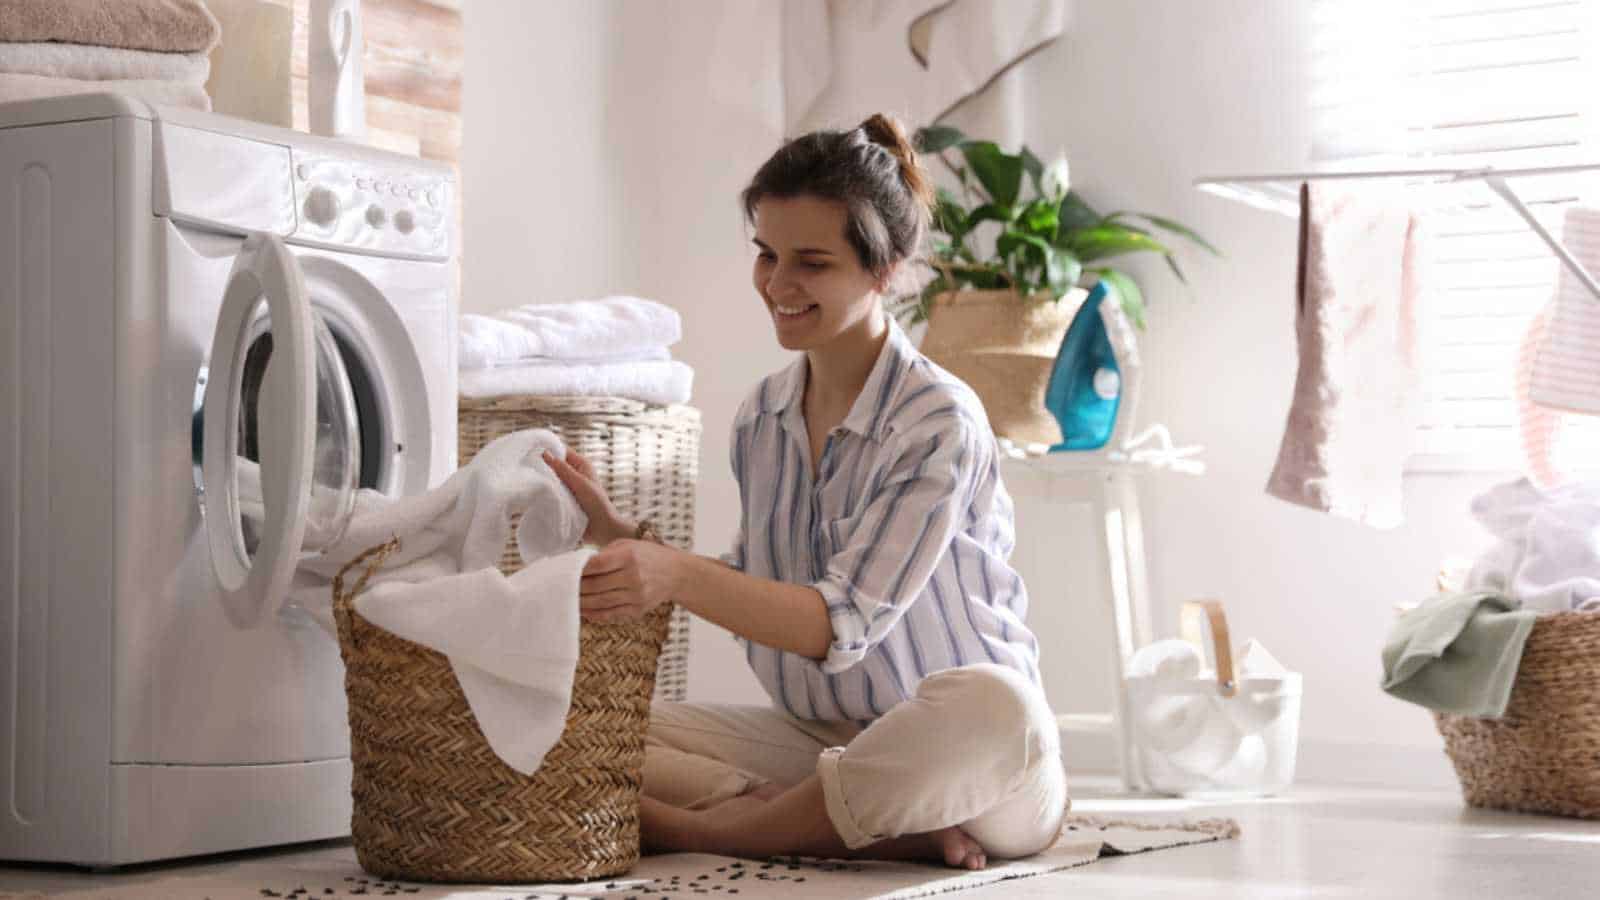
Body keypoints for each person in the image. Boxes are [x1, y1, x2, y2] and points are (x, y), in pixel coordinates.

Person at [544, 113, 1065, 871]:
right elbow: (762, 590)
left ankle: (719, 829)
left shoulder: (935, 421)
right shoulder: (762, 416)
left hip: (980, 757)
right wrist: (632, 543)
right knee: (585, 722)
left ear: (882, 270)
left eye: (811, 263)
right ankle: (870, 824)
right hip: (826, 744)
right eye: (766, 255)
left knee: (999, 708)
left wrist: (677, 576)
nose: (778, 285)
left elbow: (840, 622)